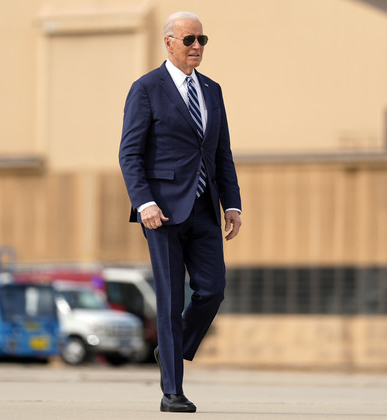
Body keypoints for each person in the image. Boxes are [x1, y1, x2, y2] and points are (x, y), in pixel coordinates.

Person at [118, 11, 242, 413]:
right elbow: (130, 153)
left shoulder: (212, 90)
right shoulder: (146, 89)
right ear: (168, 42)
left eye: (202, 40)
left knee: (213, 289)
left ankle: (172, 349)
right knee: (170, 301)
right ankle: (173, 391)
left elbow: (220, 152)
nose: (196, 47)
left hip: (205, 208)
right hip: (163, 212)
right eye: (189, 39)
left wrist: (233, 203)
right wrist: (144, 202)